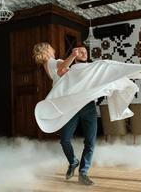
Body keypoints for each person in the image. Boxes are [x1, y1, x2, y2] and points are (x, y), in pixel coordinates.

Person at [33, 43, 97, 185]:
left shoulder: (51, 65)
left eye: (84, 52)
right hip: (71, 106)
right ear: (47, 50)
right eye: (51, 47)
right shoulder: (51, 62)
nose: (53, 49)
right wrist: (72, 56)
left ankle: (83, 172)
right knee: (67, 139)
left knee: (87, 141)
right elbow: (61, 68)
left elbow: (65, 73)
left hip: (86, 104)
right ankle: (74, 162)